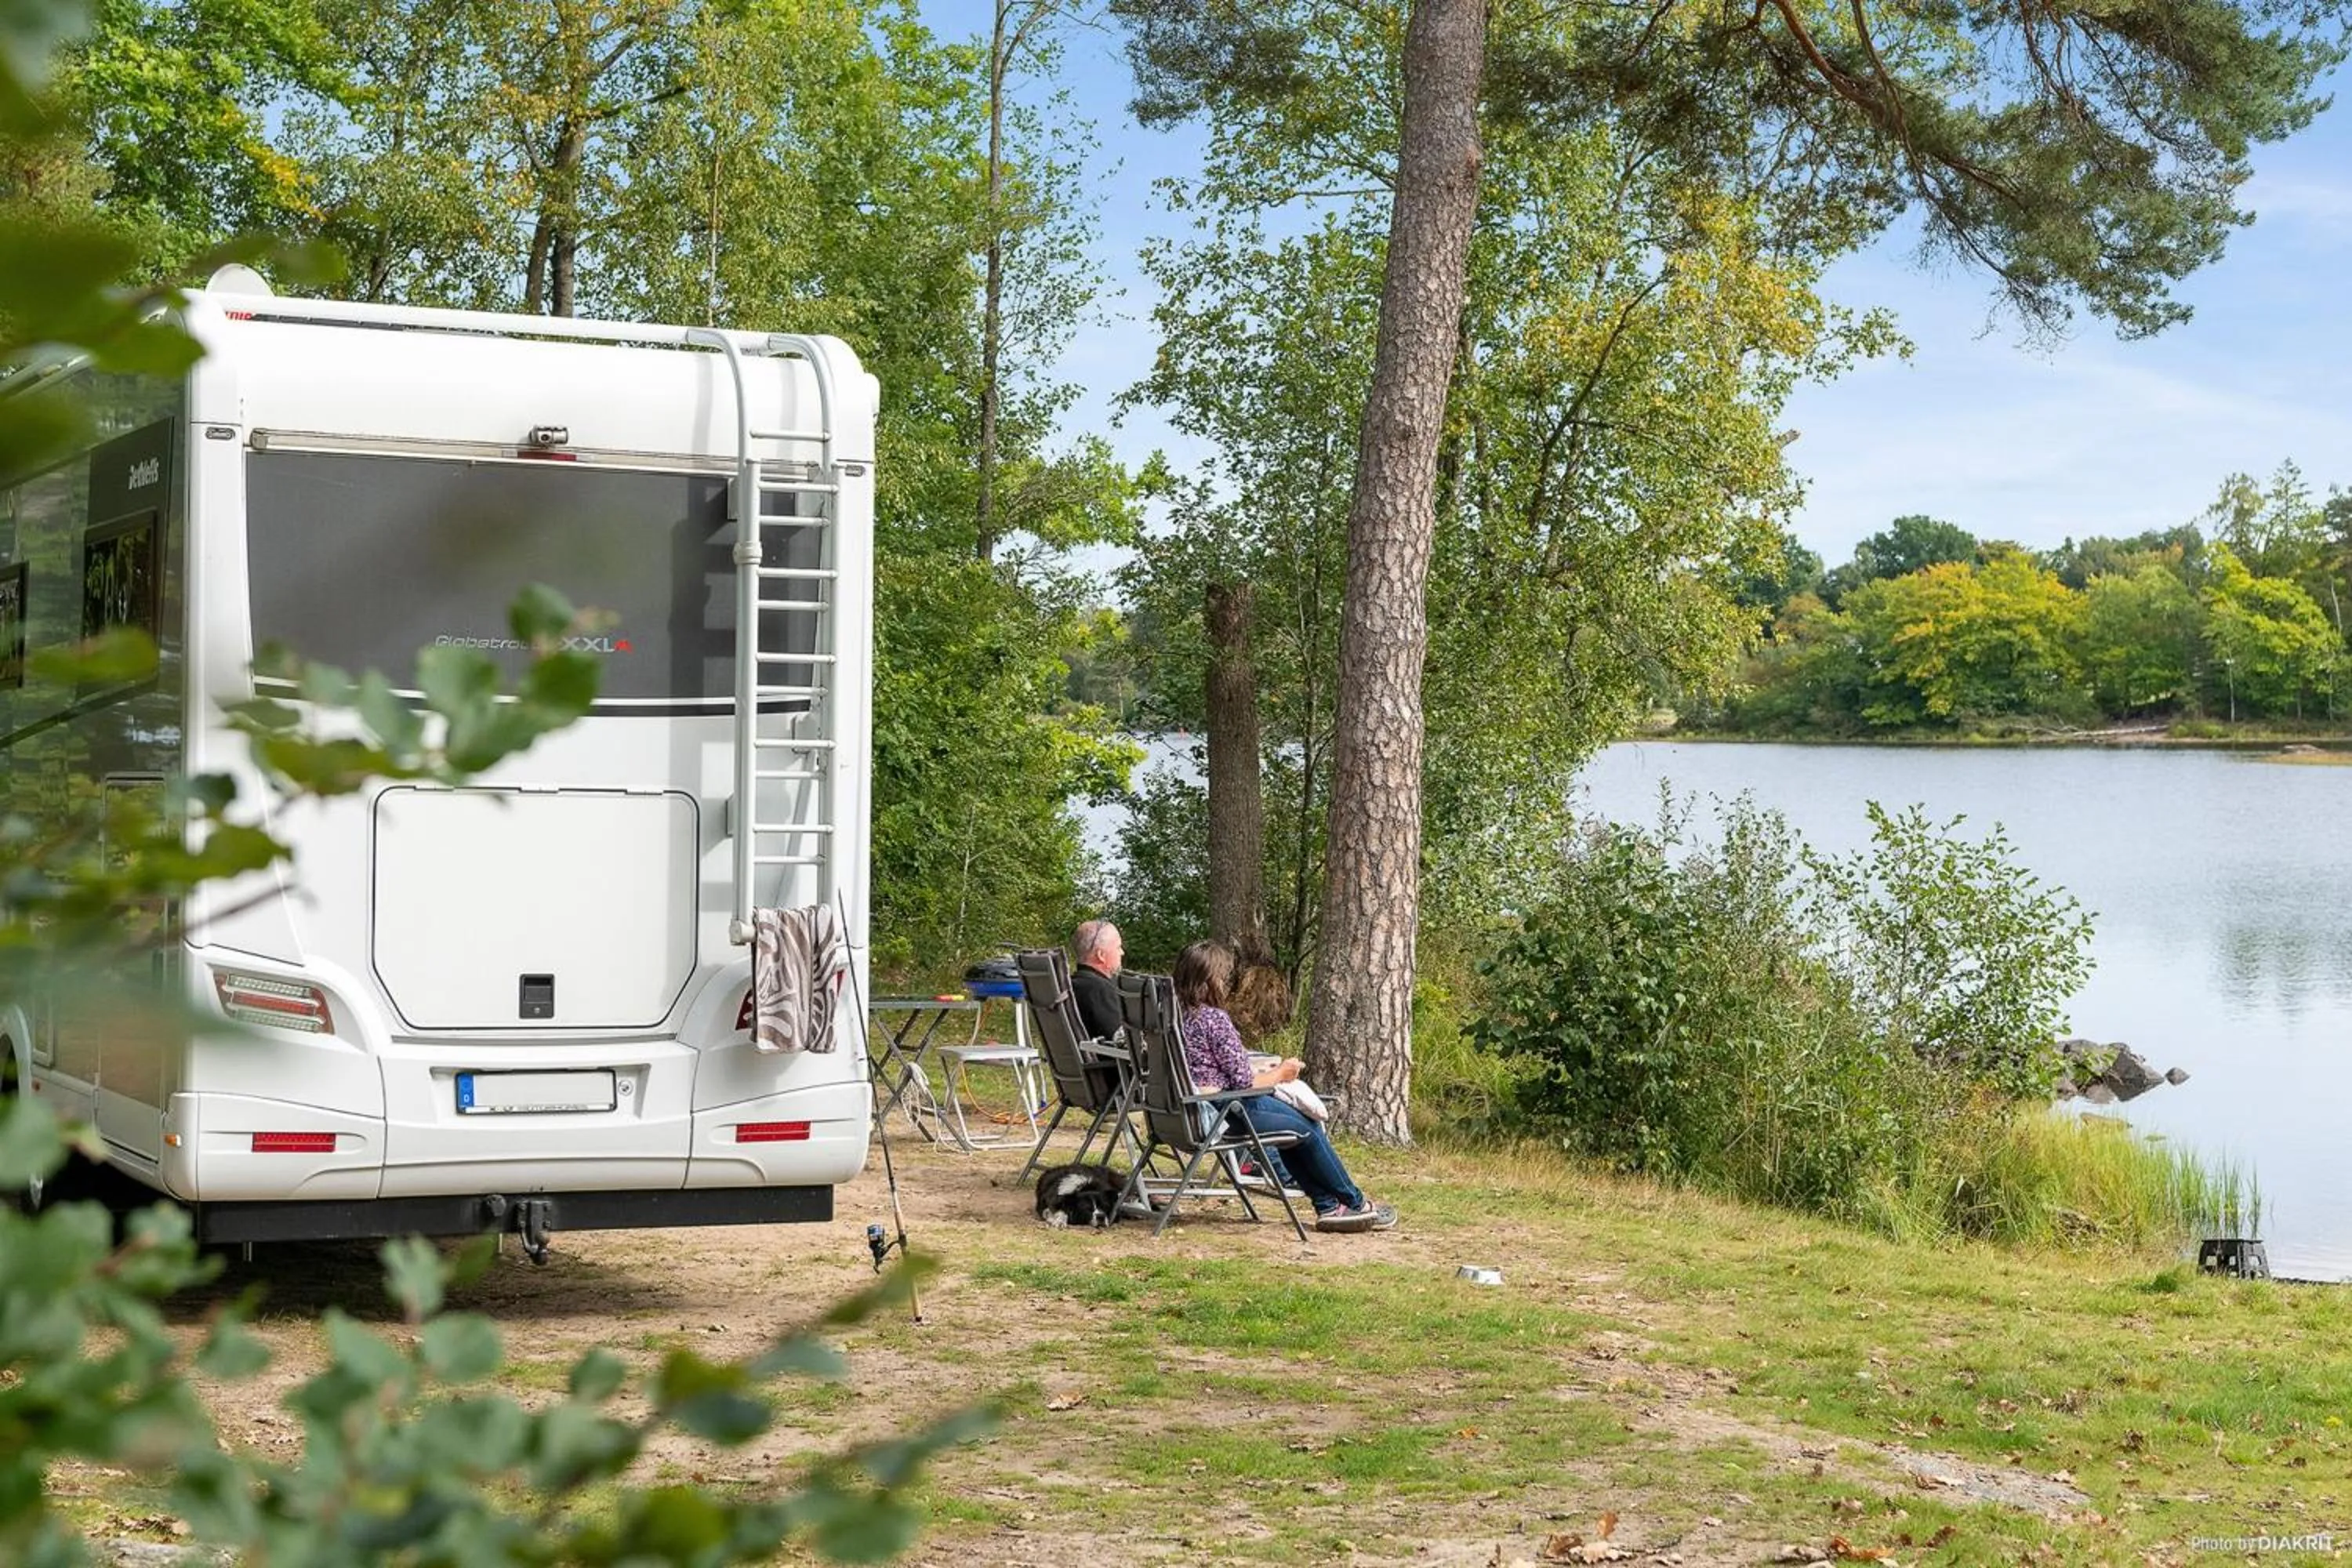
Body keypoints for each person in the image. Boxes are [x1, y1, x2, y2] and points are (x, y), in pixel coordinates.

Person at [1171, 939, 1396, 1235]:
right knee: (1307, 1128)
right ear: (1213, 979)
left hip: (1195, 1107)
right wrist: (1282, 1072)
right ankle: (1353, 1203)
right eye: (1225, 976)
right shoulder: (1214, 1020)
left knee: (1292, 1131)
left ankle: (1330, 1207)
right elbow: (1244, 1082)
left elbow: (1211, 1068)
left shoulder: (1176, 1017)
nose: (1228, 982)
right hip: (1229, 1109)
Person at [1070, 918, 1124, 1042]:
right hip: (1107, 1060)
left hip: (1078, 1059)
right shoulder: (1099, 990)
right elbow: (1120, 1040)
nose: (1122, 953)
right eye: (1118, 947)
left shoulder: (1071, 986)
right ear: (1101, 955)